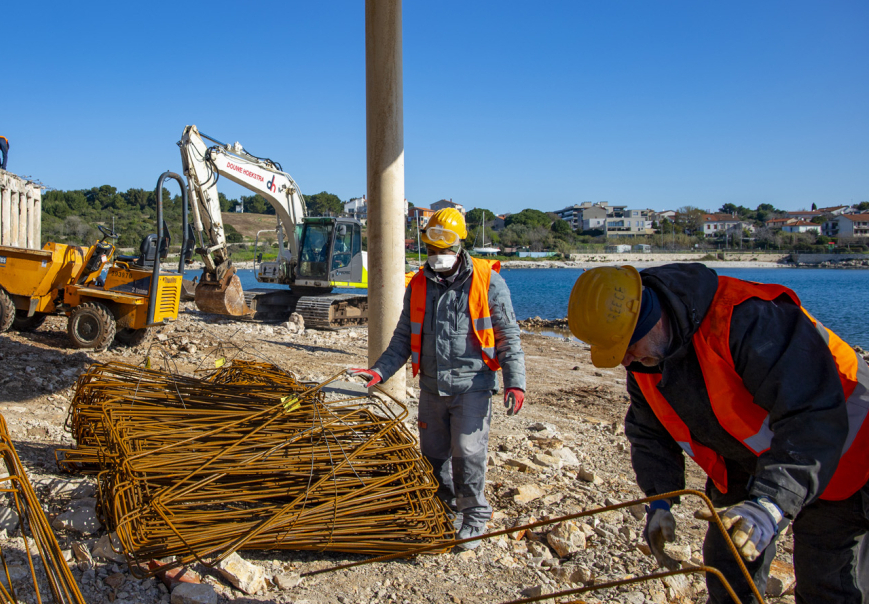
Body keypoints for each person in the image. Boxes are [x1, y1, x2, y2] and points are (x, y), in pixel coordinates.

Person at [567, 263, 869, 603]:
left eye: (627, 345)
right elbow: (650, 431)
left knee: (827, 582)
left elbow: (810, 414)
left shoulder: (747, 318)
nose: (625, 360)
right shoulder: (647, 357)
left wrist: (770, 503)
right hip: (754, 461)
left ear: (653, 316)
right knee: (728, 563)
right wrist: (660, 499)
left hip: (846, 454)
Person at [349, 208, 526, 550]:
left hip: (472, 385)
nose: (437, 257)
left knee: (467, 452)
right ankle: (444, 508)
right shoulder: (418, 284)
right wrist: (378, 371)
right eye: (431, 251)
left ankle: (474, 515)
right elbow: (403, 338)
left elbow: (508, 336)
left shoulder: (489, 281)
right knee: (434, 455)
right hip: (431, 386)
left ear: (459, 246)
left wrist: (515, 382)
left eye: (443, 251)